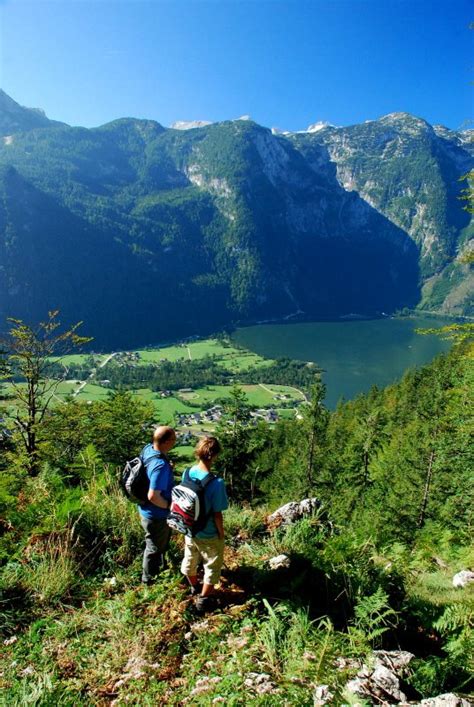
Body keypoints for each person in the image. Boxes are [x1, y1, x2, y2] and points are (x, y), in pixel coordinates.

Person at [181, 436, 228, 613]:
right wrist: (221, 534)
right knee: (212, 564)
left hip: (189, 528)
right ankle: (204, 600)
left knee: (190, 558)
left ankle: (194, 587)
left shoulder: (187, 473)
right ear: (214, 455)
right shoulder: (217, 483)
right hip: (208, 532)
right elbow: (217, 514)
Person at [138, 425, 176, 585]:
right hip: (156, 514)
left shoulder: (149, 450)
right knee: (153, 548)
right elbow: (153, 495)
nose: (175, 442)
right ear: (166, 442)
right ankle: (148, 582)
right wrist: (169, 506)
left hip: (146, 510)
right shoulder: (159, 465)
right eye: (174, 439)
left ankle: (159, 570)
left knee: (156, 545)